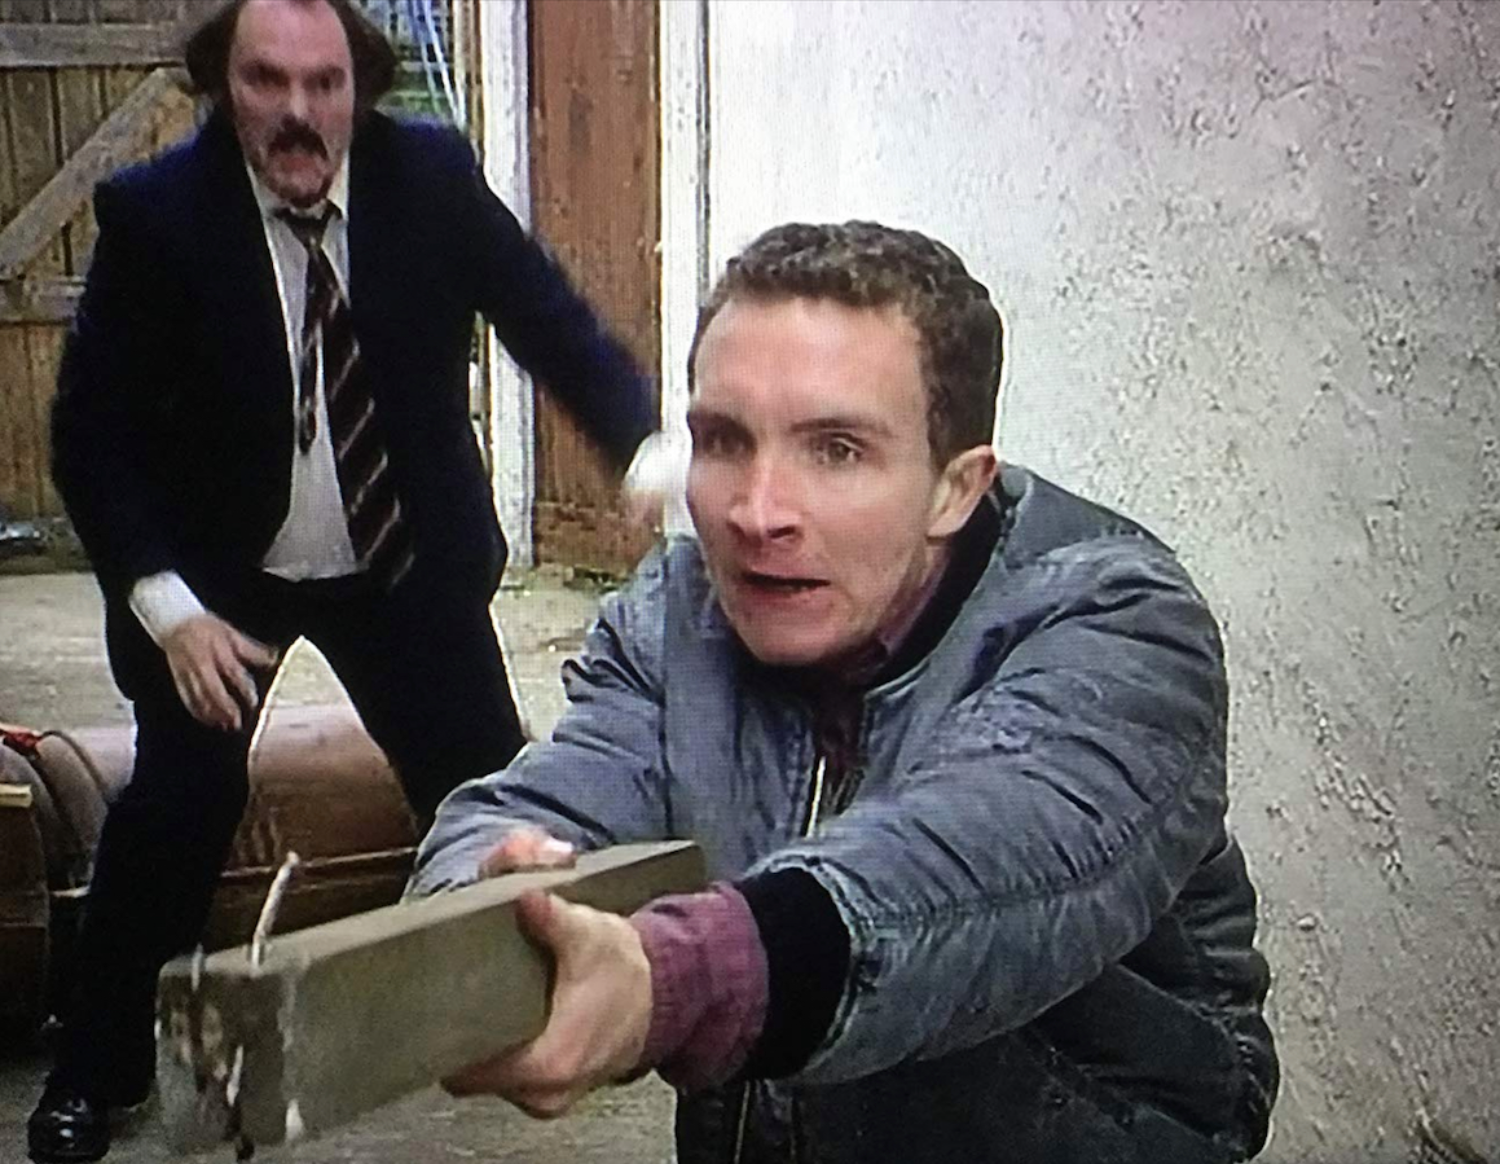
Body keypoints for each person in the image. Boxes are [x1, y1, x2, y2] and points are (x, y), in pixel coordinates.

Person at [408, 221, 1280, 1163]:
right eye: (723, 440)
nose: (757, 512)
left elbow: (963, 875)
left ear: (957, 486)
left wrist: (673, 977)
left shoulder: (1119, 622)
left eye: (836, 450)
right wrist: (487, 911)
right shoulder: (676, 617)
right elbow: (548, 803)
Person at [28, 1, 657, 1160]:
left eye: (326, 84)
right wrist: (168, 611)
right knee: (178, 809)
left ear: (359, 85)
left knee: (489, 788)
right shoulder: (157, 215)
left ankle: (524, 1016)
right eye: (268, 82)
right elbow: (91, 436)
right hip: (223, 584)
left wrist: (641, 441)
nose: (301, 113)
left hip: (399, 561)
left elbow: (545, 315)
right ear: (225, 82)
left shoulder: (431, 176)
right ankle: (93, 1068)